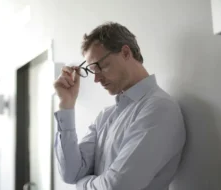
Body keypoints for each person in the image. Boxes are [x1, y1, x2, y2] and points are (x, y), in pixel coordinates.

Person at [53, 22, 186, 190]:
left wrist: (82, 185)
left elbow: (116, 187)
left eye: (101, 66)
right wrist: (66, 105)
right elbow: (71, 173)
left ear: (125, 52)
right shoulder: (105, 116)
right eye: (93, 71)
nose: (96, 79)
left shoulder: (160, 109)